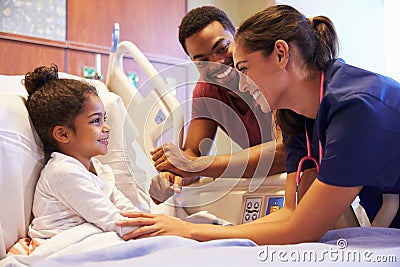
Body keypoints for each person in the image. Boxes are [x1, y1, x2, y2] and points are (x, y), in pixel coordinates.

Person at [117, 5, 400, 245]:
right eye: (202, 61)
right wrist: (211, 229)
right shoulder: (297, 117)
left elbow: (303, 228)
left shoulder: (356, 108)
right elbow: (292, 212)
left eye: (242, 68)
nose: (236, 80)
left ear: (280, 53)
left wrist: (190, 231)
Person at [149, 6, 286, 204]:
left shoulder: (268, 72)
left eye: (222, 48)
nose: (218, 63)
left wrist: (195, 164)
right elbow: (192, 153)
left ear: (237, 35)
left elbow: (285, 150)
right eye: (203, 60)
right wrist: (172, 176)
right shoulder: (206, 93)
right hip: (271, 184)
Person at [25, 64, 142, 239]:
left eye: (105, 119)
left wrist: (155, 223)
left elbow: (128, 212)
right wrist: (162, 233)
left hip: (95, 237)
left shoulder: (99, 169)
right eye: (96, 121)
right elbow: (115, 221)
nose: (107, 128)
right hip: (66, 244)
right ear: (63, 134)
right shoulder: (63, 171)